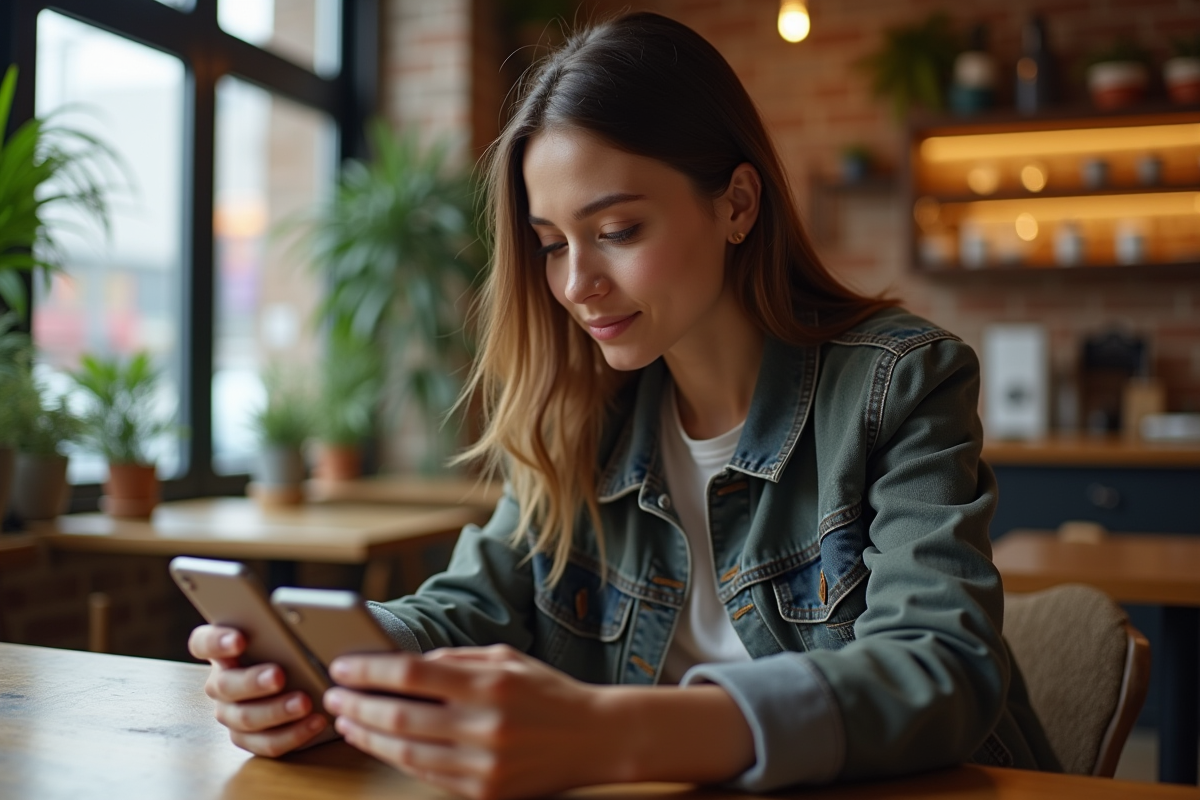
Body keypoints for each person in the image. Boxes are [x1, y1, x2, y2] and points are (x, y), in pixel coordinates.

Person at [189, 11, 1059, 799]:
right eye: (551, 244)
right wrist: (322, 663)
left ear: (737, 205)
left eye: (618, 231)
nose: (576, 284)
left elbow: (939, 669)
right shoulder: (578, 414)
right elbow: (467, 605)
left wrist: (607, 735)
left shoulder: (899, 383)